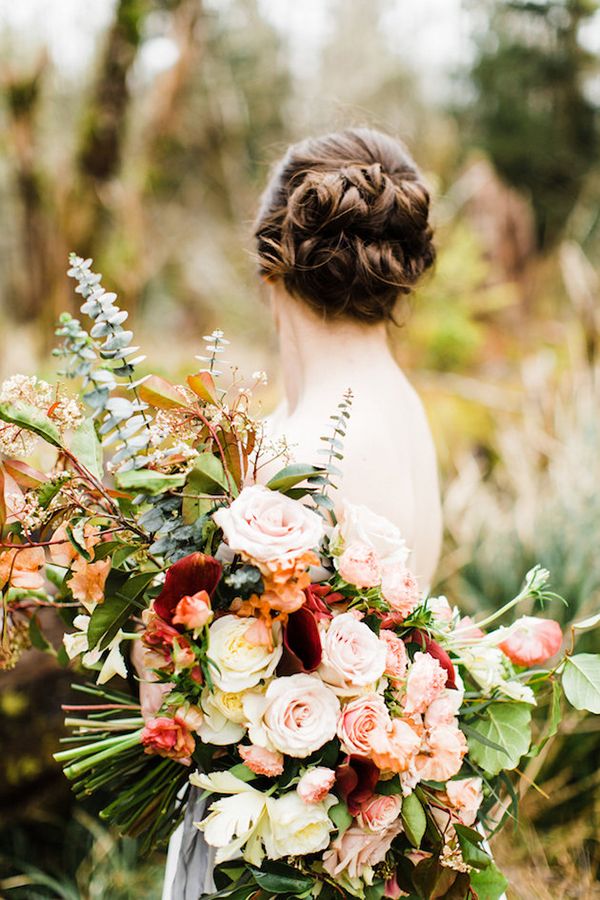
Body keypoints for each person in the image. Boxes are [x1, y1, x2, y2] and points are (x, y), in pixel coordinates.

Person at [160, 126, 443, 899]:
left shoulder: (293, 452)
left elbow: (190, 709)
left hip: (268, 857)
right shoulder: (405, 410)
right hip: (351, 845)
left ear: (269, 266)